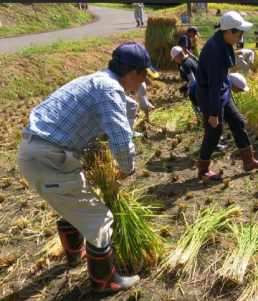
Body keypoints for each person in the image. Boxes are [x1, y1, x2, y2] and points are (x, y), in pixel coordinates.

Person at [17, 42, 159, 294]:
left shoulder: (96, 80)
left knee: (76, 204)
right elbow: (121, 138)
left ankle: (75, 256)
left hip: (42, 152)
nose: (144, 80)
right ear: (134, 73)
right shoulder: (110, 88)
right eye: (145, 74)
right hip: (49, 158)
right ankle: (105, 282)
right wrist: (126, 170)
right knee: (99, 219)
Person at [196, 11, 258, 180]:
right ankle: (203, 170)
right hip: (210, 95)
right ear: (228, 32)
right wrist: (214, 112)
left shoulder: (225, 44)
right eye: (240, 33)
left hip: (222, 92)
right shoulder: (213, 49)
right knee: (214, 131)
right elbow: (212, 82)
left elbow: (220, 79)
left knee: (238, 120)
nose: (241, 37)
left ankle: (249, 161)